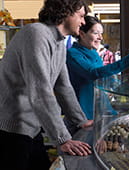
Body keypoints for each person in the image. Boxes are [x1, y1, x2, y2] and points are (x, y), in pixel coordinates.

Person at [0, 0, 94, 169]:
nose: (84, 22)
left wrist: (81, 121)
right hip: (11, 131)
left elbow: (64, 87)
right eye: (81, 16)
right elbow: (40, 90)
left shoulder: (59, 42)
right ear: (66, 12)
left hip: (31, 128)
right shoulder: (36, 33)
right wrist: (63, 139)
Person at [66, 15, 129, 120]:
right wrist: (127, 61)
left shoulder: (94, 53)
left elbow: (109, 81)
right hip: (84, 117)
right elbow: (93, 73)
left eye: (101, 33)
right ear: (82, 34)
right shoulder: (73, 54)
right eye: (95, 33)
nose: (100, 38)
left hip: (103, 113)